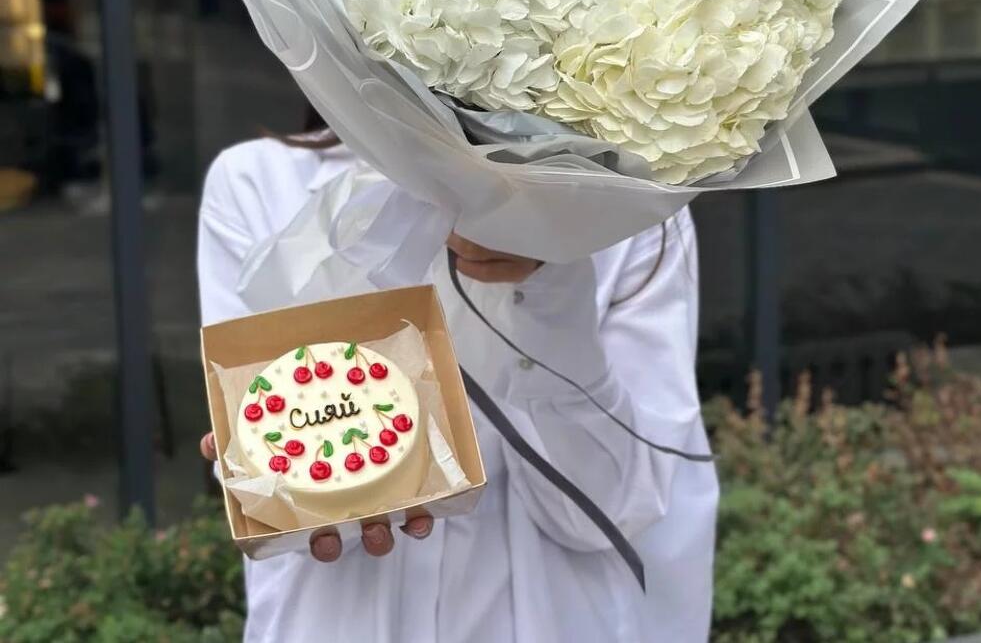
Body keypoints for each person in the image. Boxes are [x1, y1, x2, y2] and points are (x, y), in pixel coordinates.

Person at [197, 117, 717, 642]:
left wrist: (547, 285)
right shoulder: (262, 183)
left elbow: (612, 510)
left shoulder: (632, 215)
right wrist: (299, 482)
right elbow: (275, 488)